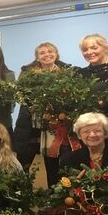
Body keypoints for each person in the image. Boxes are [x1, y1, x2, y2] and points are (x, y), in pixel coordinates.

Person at [13, 42, 74, 187]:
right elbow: (21, 95)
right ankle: (21, 196)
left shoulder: (67, 72)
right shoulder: (27, 73)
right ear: (37, 57)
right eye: (42, 53)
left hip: (53, 128)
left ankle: (53, 200)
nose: (47, 55)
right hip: (30, 126)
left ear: (56, 54)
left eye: (50, 51)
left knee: (52, 165)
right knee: (23, 164)